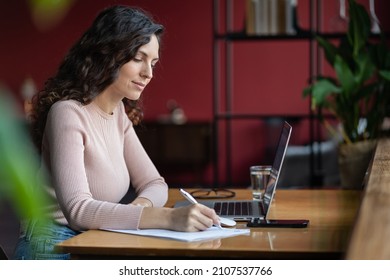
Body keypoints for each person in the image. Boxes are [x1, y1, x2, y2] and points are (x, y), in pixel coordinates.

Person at [13, 5, 219, 260]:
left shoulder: (119, 113)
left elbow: (154, 184)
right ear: (107, 53)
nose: (149, 73)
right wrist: (166, 217)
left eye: (153, 63)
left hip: (95, 237)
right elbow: (78, 210)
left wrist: (138, 208)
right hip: (51, 244)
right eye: (138, 58)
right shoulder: (67, 112)